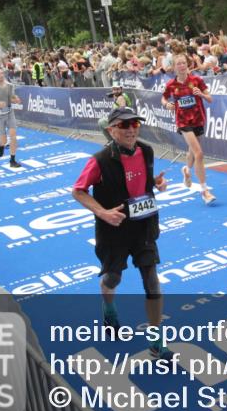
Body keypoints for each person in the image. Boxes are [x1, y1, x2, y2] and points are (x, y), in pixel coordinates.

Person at [71, 107, 173, 361]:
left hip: (144, 224)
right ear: (111, 130)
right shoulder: (99, 160)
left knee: (151, 279)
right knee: (113, 278)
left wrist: (155, 184)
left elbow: (142, 181)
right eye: (124, 126)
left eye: (135, 125)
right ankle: (108, 308)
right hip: (113, 229)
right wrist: (103, 213)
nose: (131, 130)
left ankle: (156, 339)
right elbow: (79, 191)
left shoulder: (146, 150)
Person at [161, 54, 216, 206]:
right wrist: (167, 104)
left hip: (198, 119)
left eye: (184, 63)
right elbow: (163, 98)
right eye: (178, 64)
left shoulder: (196, 80)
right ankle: (204, 191)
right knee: (199, 153)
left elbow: (210, 98)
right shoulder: (171, 84)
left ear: (188, 65)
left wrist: (202, 95)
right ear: (174, 67)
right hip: (183, 121)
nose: (182, 66)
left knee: (193, 151)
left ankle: (186, 169)